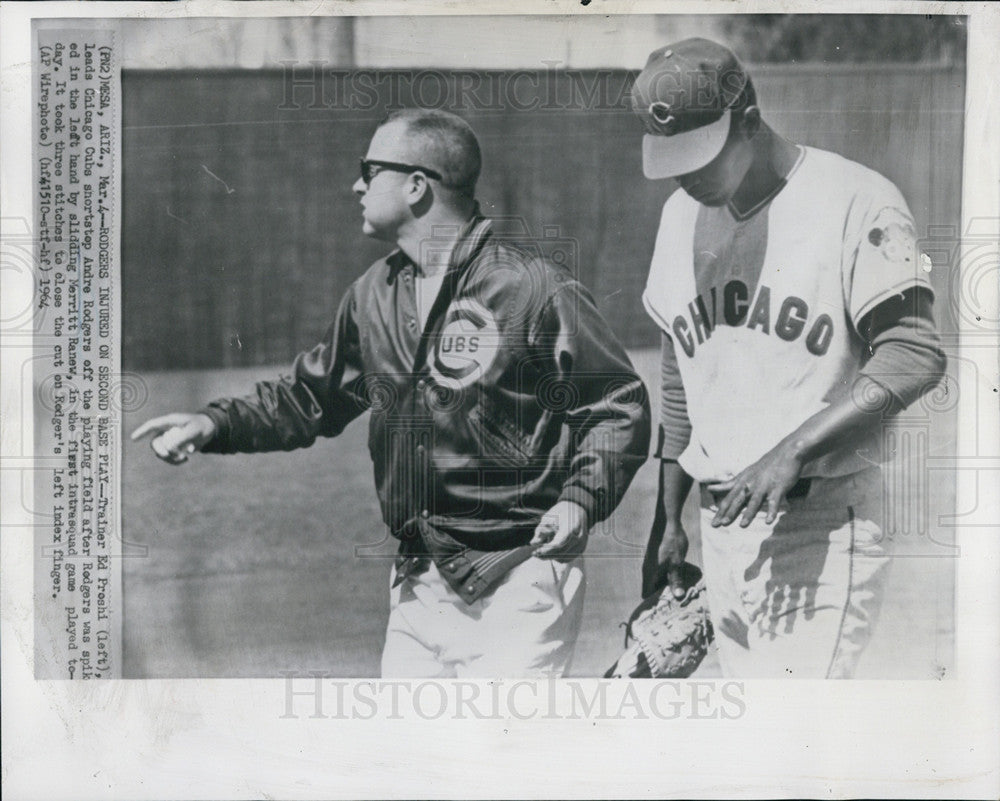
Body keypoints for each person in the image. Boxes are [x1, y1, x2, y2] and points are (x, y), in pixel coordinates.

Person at [131, 108, 651, 678]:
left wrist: (580, 499)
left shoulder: (530, 287)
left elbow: (617, 404)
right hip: (418, 584)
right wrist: (216, 424)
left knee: (500, 759)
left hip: (519, 574)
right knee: (407, 761)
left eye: (369, 170)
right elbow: (312, 399)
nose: (356, 184)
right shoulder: (373, 295)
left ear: (417, 185)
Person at [631, 39, 946, 678]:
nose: (685, 175)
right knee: (754, 749)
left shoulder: (857, 199)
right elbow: (680, 375)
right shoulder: (678, 216)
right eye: (671, 159)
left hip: (820, 522)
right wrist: (669, 519)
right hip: (718, 527)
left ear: (748, 120)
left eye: (700, 155)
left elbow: (915, 354)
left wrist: (790, 449)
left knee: (796, 743)